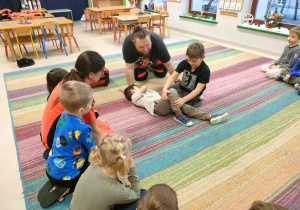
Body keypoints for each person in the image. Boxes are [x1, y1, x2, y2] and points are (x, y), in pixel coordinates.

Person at [41, 51, 112, 159]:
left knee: (102, 125)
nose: (102, 74)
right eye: (101, 72)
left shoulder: (69, 79)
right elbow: (95, 131)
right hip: (54, 140)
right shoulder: (81, 95)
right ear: (91, 74)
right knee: (107, 133)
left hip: (49, 133)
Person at [46, 81, 97, 195]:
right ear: (80, 110)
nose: (92, 104)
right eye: (90, 103)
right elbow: (93, 149)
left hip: (50, 169)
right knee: (95, 163)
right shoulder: (83, 129)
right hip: (68, 178)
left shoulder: (63, 115)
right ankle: (72, 187)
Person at [71, 132, 143, 210]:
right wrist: (131, 166)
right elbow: (136, 194)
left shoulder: (94, 163)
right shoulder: (116, 191)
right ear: (124, 161)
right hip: (112, 194)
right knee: (143, 195)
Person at [124, 85, 229, 126]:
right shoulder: (135, 98)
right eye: (135, 87)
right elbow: (144, 87)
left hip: (163, 104)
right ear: (132, 91)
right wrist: (129, 90)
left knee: (181, 104)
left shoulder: (145, 94)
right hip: (157, 107)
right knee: (172, 90)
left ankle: (209, 117)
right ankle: (179, 115)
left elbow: (153, 91)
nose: (138, 87)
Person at [162, 41, 210, 106]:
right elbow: (173, 76)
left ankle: (198, 98)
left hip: (193, 91)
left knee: (179, 104)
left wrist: (183, 100)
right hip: (181, 85)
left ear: (203, 57)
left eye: (194, 61)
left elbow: (197, 90)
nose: (191, 63)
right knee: (167, 94)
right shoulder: (184, 63)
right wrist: (165, 88)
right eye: (189, 60)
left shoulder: (205, 71)